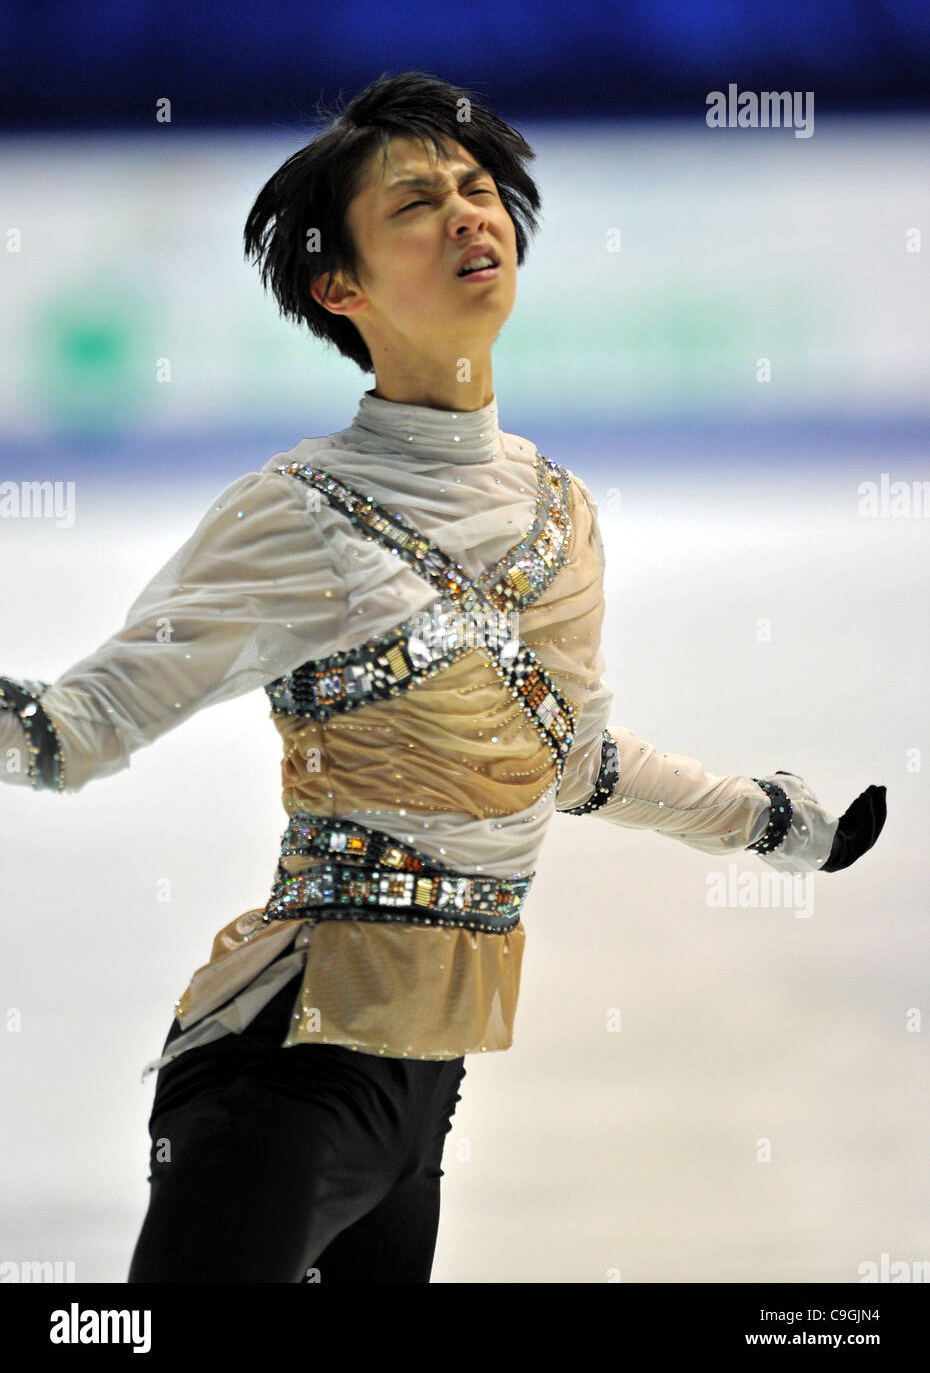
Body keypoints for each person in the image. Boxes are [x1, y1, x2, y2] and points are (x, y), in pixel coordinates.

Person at [0, 70, 887, 1284]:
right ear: (339, 286)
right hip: (282, 1073)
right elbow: (70, 732)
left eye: (479, 189)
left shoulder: (559, 512)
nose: (470, 213)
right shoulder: (293, 516)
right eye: (416, 201)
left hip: (426, 1097)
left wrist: (769, 819)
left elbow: (562, 762)